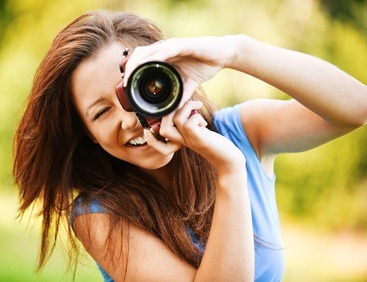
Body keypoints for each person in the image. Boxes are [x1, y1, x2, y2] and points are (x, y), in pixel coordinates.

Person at [13, 9, 367, 282]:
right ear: (87, 133)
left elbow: (354, 108)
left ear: (170, 76)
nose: (130, 118)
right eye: (102, 112)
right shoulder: (98, 215)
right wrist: (229, 170)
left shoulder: (241, 131)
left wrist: (236, 51)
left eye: (141, 90)